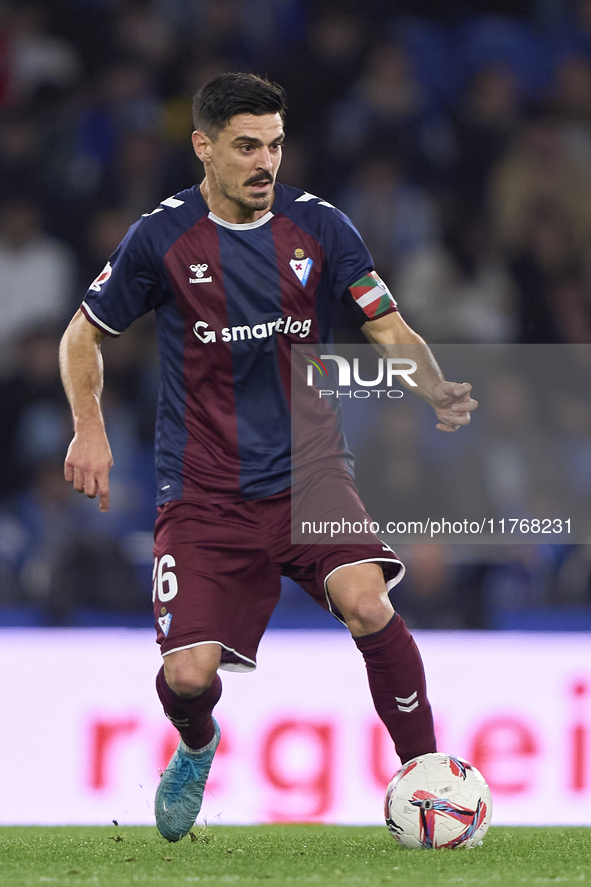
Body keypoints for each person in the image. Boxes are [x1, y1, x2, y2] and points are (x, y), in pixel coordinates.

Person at [59, 73, 477, 842]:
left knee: (365, 599)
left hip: (309, 475)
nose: (265, 162)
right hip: (202, 490)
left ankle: (424, 774)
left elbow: (386, 325)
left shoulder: (320, 227)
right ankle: (195, 742)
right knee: (188, 675)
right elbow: (82, 333)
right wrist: (90, 426)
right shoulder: (161, 236)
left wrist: (433, 386)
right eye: (247, 146)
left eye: (276, 144)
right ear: (204, 147)